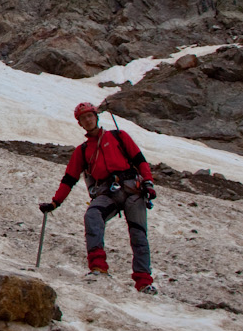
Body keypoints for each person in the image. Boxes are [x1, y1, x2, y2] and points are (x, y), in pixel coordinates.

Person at [39, 102, 158, 293]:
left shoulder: (119, 136)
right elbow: (69, 178)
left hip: (133, 189)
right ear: (80, 124)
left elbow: (139, 160)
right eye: (83, 118)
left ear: (96, 116)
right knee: (92, 216)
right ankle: (98, 267)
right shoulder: (82, 150)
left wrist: (148, 182)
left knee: (138, 235)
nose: (87, 120)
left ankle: (144, 281)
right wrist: (55, 202)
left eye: (89, 116)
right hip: (108, 192)